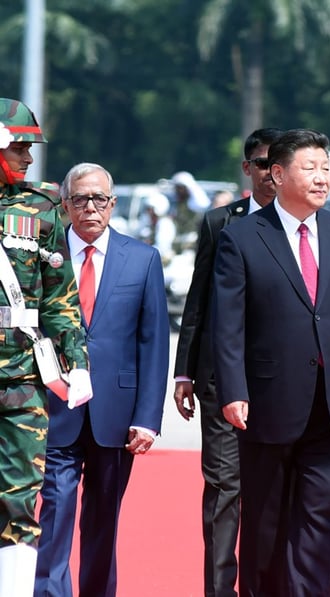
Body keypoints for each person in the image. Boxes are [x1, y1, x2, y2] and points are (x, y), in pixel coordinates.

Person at [212, 128, 330, 596]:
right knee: (266, 521)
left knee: (323, 516)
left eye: (326, 168)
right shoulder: (243, 238)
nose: (321, 177)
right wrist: (233, 389)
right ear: (277, 173)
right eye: (309, 168)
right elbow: (227, 325)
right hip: (267, 403)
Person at [35, 163, 169, 597]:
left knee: (103, 519)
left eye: (99, 199)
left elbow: (153, 344)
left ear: (112, 204)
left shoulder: (142, 258)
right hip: (54, 408)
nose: (90, 207)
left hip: (116, 411)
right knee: (54, 511)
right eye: (80, 199)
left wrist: (148, 417)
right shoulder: (42, 256)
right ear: (65, 204)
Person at [172, 127, 284, 597]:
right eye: (261, 165)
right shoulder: (222, 222)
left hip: (280, 382)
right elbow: (199, 299)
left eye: (277, 166)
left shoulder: (304, 222)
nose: (269, 176)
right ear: (248, 169)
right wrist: (185, 370)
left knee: (274, 494)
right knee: (223, 491)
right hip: (221, 380)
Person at [0, 98, 91, 597]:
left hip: (21, 380)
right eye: (18, 146)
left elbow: (60, 298)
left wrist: (76, 360)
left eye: (30, 146)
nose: (28, 157)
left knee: (20, 501)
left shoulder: (42, 208)